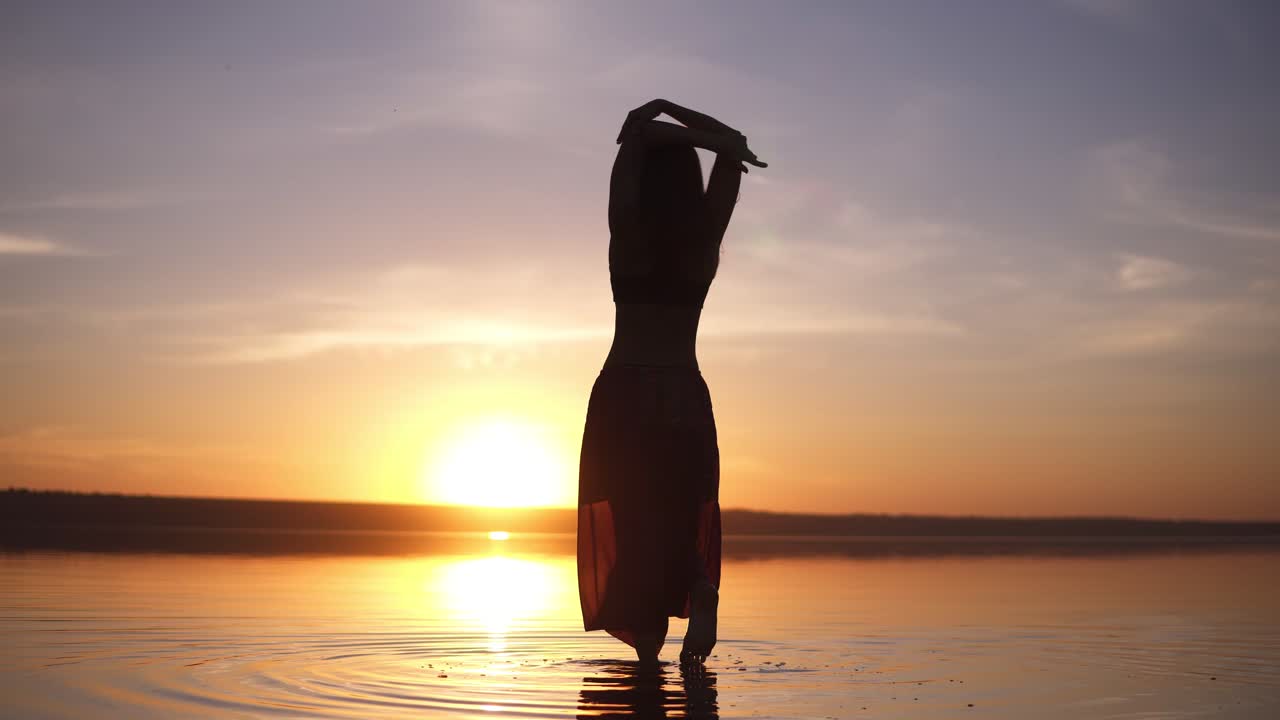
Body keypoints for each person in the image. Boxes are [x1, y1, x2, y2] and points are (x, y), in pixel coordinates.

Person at [577, 99, 767, 666]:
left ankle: (647, 655)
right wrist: (694, 129)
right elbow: (734, 142)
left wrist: (655, 110)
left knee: (631, 521)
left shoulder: (627, 229)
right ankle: (697, 585)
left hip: (624, 391)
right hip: (684, 390)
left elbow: (634, 135)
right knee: (679, 514)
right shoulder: (704, 237)